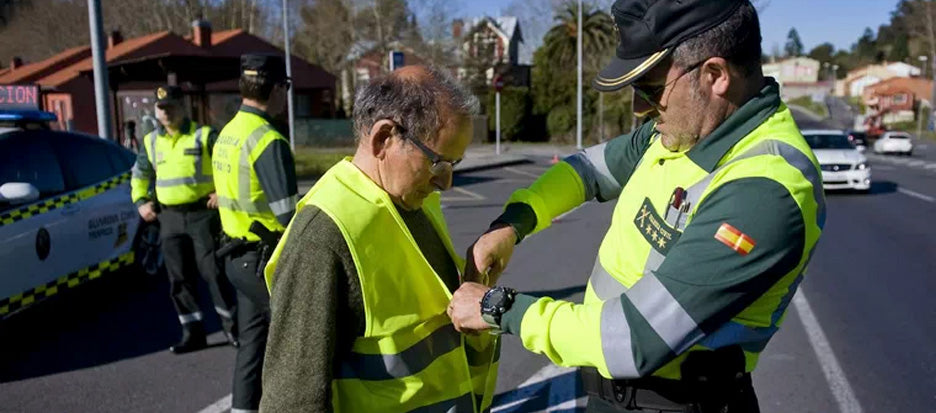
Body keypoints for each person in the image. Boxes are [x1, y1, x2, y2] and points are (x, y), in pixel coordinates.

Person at [448, 1, 826, 412]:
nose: (639, 109)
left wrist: (497, 308)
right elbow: (586, 170)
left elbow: (632, 339)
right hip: (611, 394)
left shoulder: (764, 189)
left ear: (715, 75)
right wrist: (513, 224)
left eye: (650, 89)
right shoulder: (682, 132)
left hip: (677, 402)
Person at [261, 66, 499, 412]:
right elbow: (293, 401)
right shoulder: (322, 236)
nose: (446, 183)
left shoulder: (416, 201)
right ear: (384, 138)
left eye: (454, 164)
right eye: (438, 164)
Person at [212, 53, 298, 413]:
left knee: (252, 346)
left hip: (236, 256)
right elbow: (291, 217)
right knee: (301, 338)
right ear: (277, 88)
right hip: (265, 261)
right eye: (286, 88)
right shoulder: (268, 140)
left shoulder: (228, 133)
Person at [129, 85, 238, 354]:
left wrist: (223, 193)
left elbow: (230, 166)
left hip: (202, 215)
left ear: (183, 107)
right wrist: (141, 202)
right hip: (170, 218)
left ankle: (233, 329)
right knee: (179, 279)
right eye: (161, 108)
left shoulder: (204, 135)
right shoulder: (151, 141)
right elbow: (140, 175)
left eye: (171, 107)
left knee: (212, 272)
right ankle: (193, 332)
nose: (165, 113)